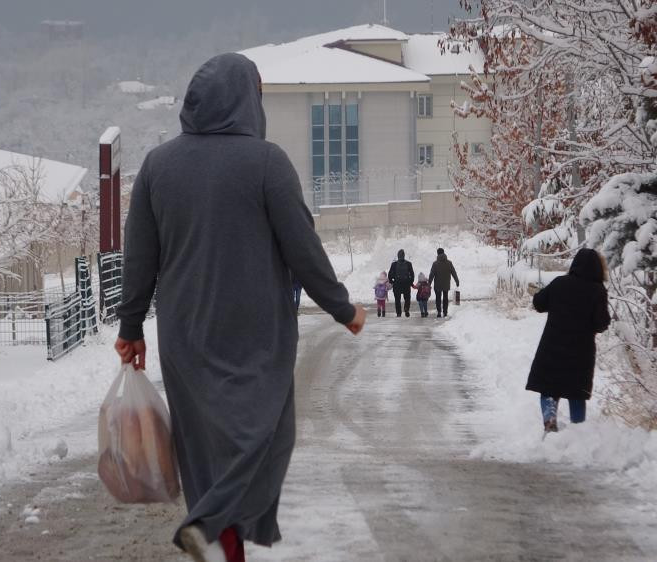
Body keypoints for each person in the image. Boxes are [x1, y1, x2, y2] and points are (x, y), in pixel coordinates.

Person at [113, 53, 367, 562]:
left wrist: (132, 326)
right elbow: (303, 248)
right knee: (267, 434)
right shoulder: (267, 162)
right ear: (247, 99)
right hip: (257, 333)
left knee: (205, 451)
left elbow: (139, 256)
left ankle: (222, 547)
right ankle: (207, 525)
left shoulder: (158, 166)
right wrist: (342, 308)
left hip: (186, 335)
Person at [525, 248, 611, 432]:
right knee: (577, 392)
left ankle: (549, 419)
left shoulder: (560, 283)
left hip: (552, 346)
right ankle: (577, 430)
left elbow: (539, 303)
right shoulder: (598, 291)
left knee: (549, 388)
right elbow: (601, 324)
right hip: (581, 351)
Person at [428, 248, 459, 318]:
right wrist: (457, 281)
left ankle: (439, 312)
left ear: (438, 254)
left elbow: (431, 274)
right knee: (445, 298)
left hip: (437, 285)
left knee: (438, 298)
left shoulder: (435, 264)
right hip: (446, 284)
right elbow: (454, 273)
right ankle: (445, 312)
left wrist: (429, 283)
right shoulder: (449, 263)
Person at [387, 249, 414, 317]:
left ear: (398, 256)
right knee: (407, 298)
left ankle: (399, 313)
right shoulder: (408, 264)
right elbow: (412, 274)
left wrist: (392, 281)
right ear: (404, 255)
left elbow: (390, 274)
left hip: (397, 284)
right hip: (406, 284)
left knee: (397, 300)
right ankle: (406, 309)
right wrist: (410, 282)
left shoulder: (394, 264)